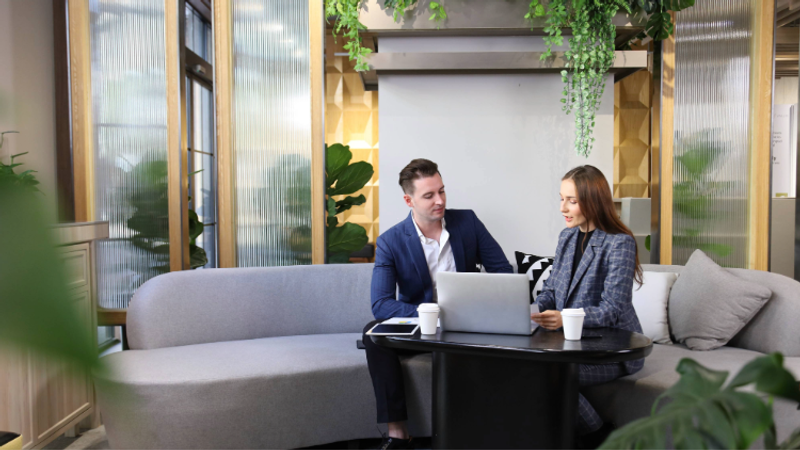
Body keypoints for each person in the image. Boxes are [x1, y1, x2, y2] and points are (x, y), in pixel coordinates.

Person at [363, 158, 512, 450]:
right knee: (373, 333)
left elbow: (503, 273)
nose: (440, 200)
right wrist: (431, 313)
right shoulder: (391, 241)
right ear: (409, 200)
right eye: (429, 195)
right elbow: (381, 305)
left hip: (468, 325)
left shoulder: (467, 222)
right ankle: (398, 434)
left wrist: (476, 305)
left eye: (441, 191)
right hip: (424, 326)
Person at [531, 165, 644, 449]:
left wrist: (563, 317)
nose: (562, 208)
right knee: (522, 366)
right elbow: (552, 290)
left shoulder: (620, 243)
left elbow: (612, 309)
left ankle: (599, 437)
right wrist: (533, 309)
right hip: (569, 343)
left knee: (549, 373)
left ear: (593, 201)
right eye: (561, 199)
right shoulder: (566, 237)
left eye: (572, 200)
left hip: (609, 347)